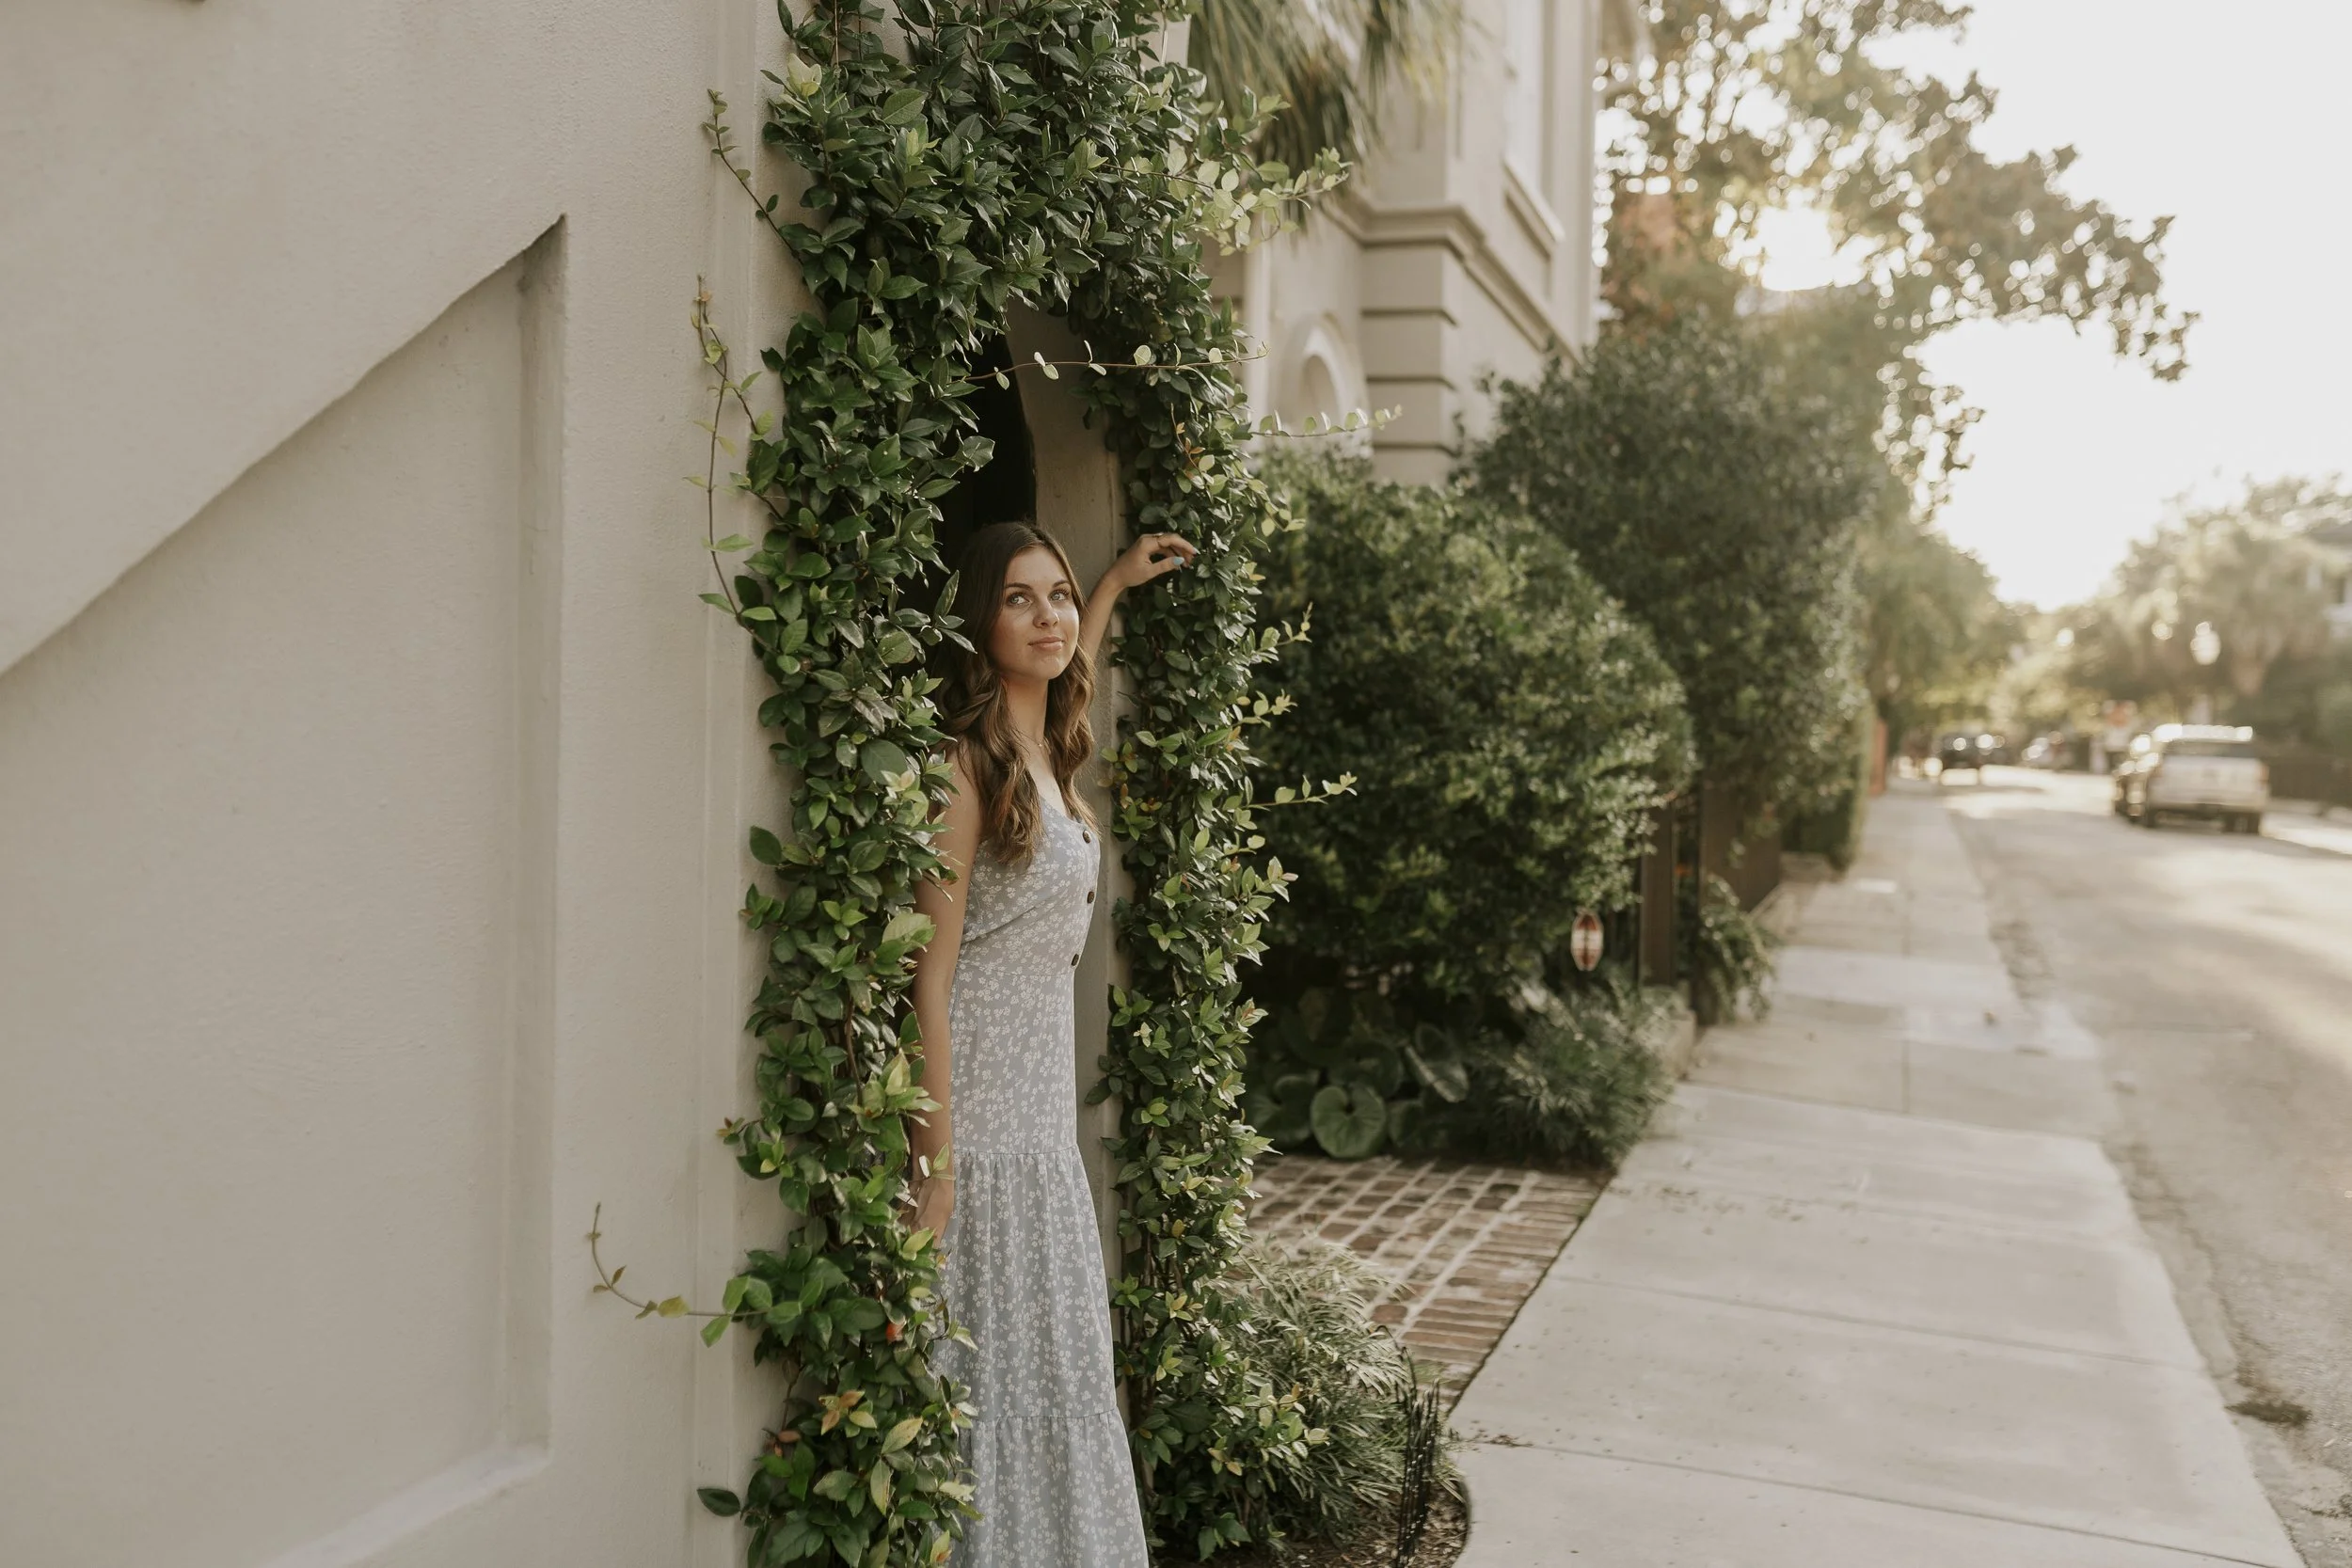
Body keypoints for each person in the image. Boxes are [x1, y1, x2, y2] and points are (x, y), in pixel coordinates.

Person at [907, 520, 1196, 1567]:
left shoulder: (1049, 753)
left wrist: (1112, 581)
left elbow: (1068, 662)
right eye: (1019, 599)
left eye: (1059, 595)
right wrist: (933, 1167)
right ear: (979, 622)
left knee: (1055, 1383)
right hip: (980, 1135)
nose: (1049, 616)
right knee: (988, 1399)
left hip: (1043, 1137)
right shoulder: (962, 768)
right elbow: (926, 974)